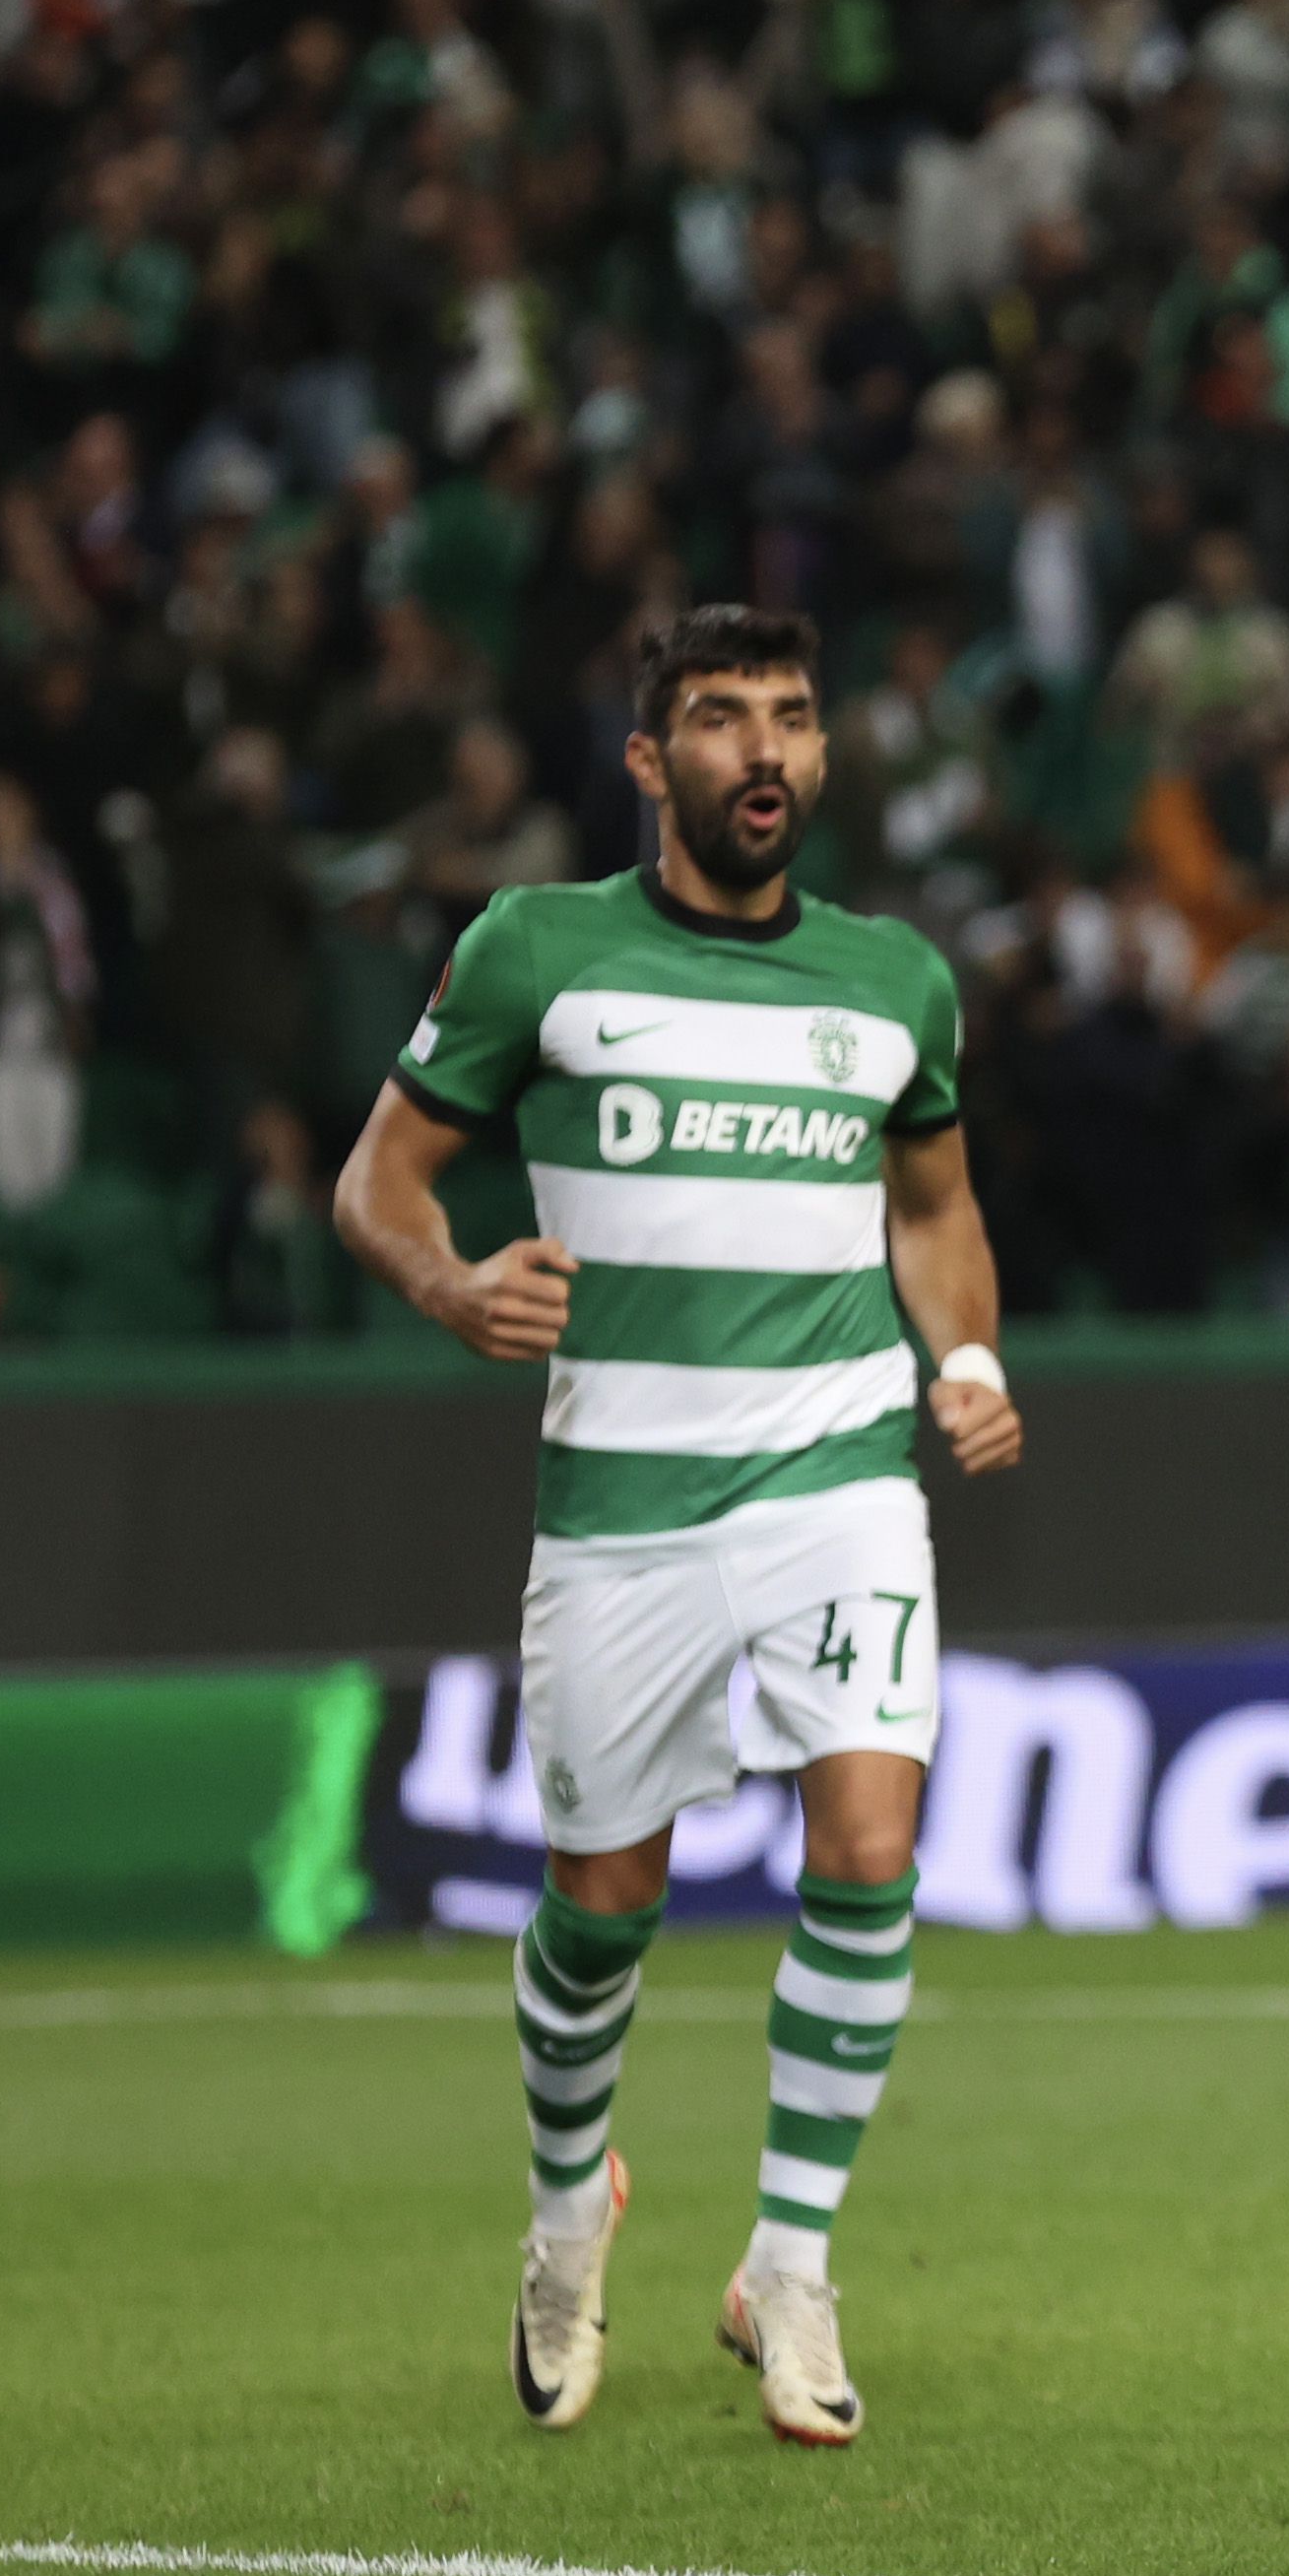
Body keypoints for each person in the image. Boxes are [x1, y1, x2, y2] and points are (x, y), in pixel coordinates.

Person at [333, 606, 1026, 2447]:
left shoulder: (895, 983)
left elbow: (937, 1207)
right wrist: (452, 1284)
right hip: (622, 1511)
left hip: (838, 1479)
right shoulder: (538, 952)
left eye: (792, 716)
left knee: (870, 1846)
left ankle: (789, 2265)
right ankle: (570, 2224)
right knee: (599, 1910)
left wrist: (961, 1352)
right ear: (652, 762)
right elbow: (377, 1178)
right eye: (721, 720)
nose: (765, 750)